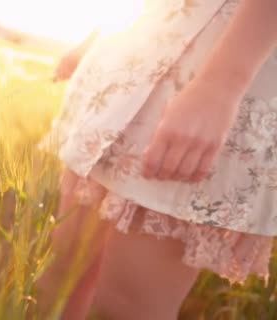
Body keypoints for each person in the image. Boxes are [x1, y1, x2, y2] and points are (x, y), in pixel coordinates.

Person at [37, 0, 277, 319]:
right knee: (61, 275)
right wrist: (95, 36)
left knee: (126, 305)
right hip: (135, 48)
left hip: (222, 59)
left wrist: (222, 84)